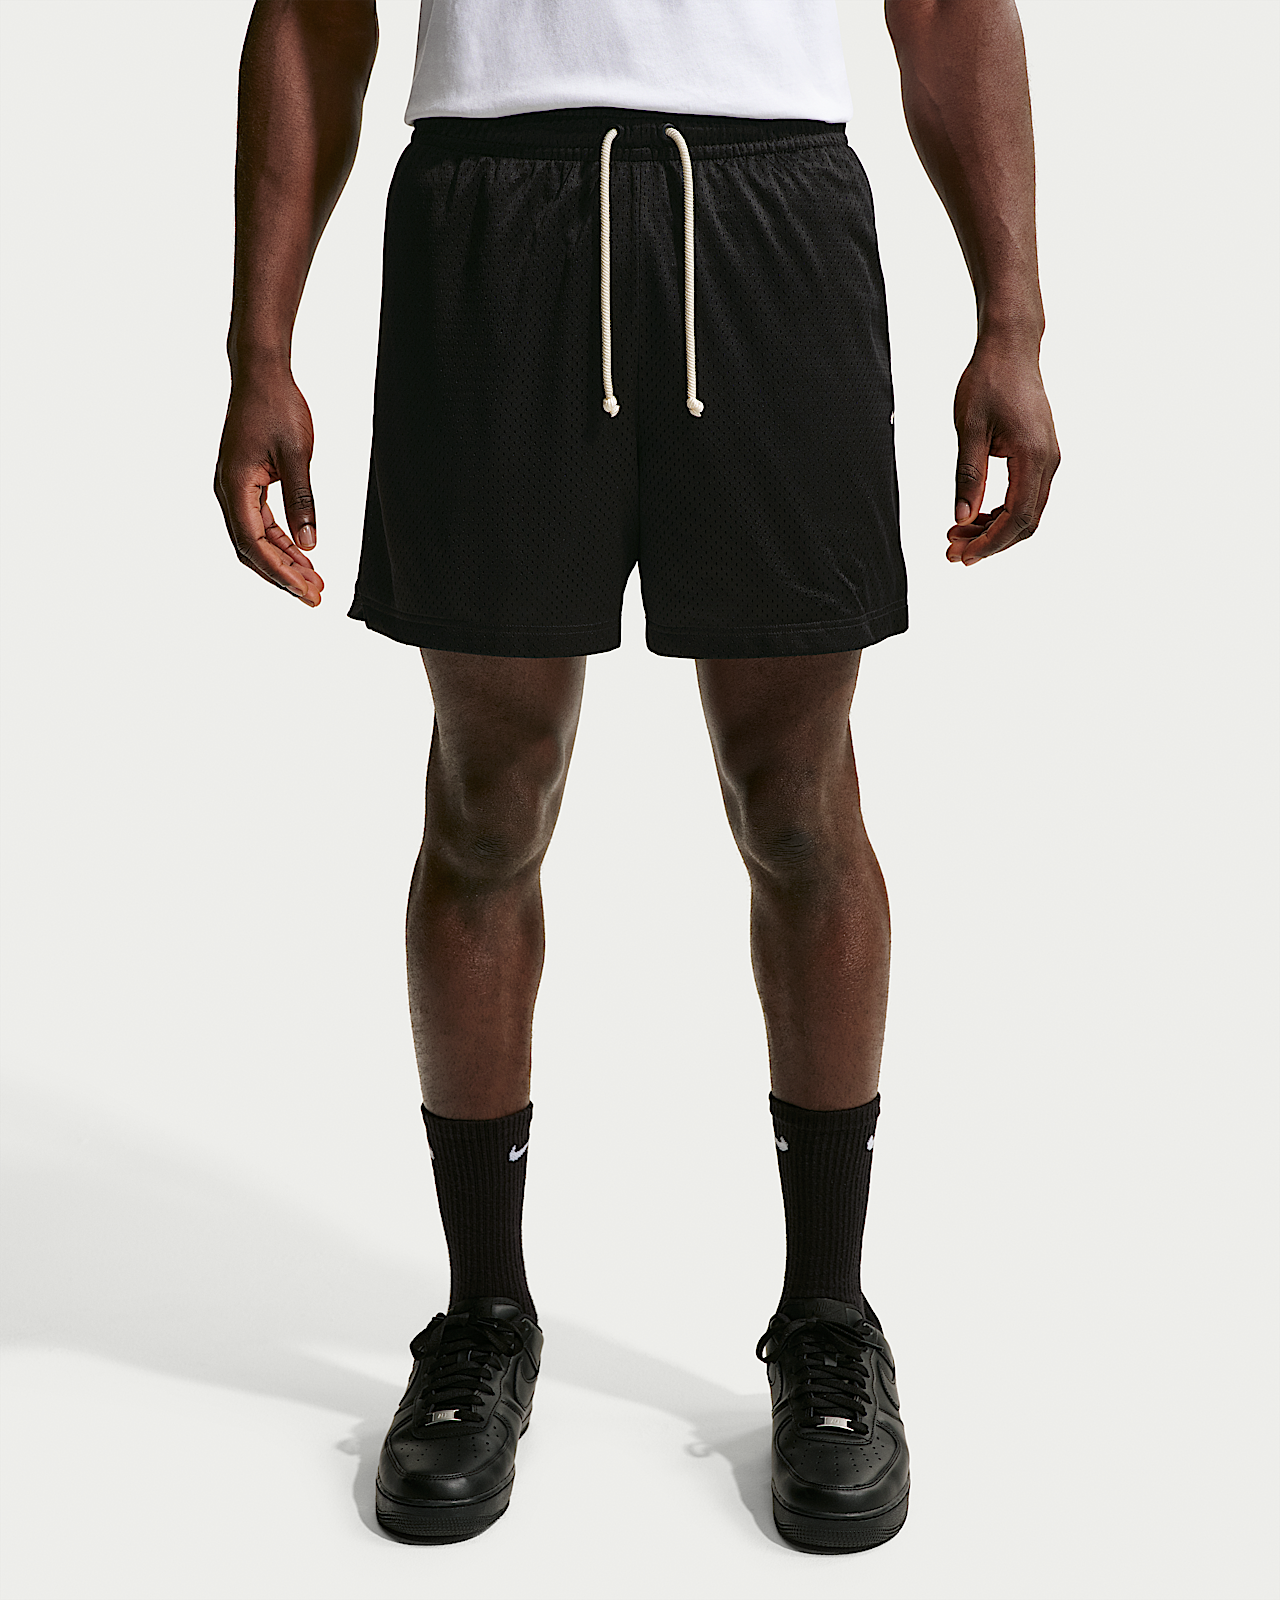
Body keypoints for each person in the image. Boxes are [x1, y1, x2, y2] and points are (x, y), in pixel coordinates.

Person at [214, 0, 1059, 1553]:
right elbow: (314, 15)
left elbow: (946, 9)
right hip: (493, 212)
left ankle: (828, 1321)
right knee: (487, 800)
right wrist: (258, 347)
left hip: (770, 210)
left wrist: (1013, 317)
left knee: (797, 801)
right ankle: (483, 1319)